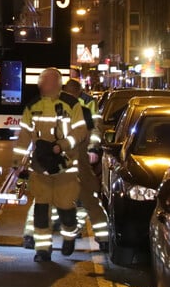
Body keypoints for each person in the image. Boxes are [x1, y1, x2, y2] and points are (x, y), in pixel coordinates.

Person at [13, 68, 88, 262]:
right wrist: (18, 163)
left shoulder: (71, 104)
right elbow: (24, 136)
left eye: (46, 82)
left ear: (57, 84)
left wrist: (61, 145)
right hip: (40, 165)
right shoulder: (33, 106)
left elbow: (80, 132)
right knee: (41, 207)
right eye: (41, 82)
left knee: (65, 207)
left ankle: (69, 235)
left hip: (65, 165)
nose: (42, 86)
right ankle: (43, 249)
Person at [63, 78, 108, 250]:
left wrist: (93, 148)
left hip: (76, 159)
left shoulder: (88, 103)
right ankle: (100, 238)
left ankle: (73, 236)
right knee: (87, 200)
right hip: (74, 160)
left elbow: (96, 127)